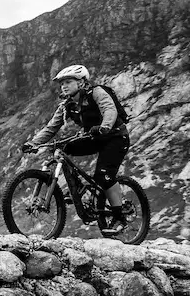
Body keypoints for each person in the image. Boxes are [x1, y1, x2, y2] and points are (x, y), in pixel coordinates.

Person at [22, 64, 131, 234]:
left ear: (81, 82)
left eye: (68, 81)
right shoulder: (67, 105)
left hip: (115, 137)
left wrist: (104, 126)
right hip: (94, 138)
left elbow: (109, 110)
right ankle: (77, 187)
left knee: (103, 175)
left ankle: (120, 218)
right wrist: (33, 143)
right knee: (62, 148)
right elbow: (51, 128)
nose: (63, 86)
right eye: (61, 83)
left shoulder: (96, 93)